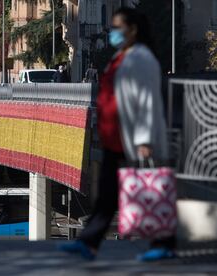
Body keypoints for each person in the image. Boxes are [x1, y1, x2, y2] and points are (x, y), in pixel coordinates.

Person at [59, 7, 175, 261]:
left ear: (132, 30)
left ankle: (165, 243)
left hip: (134, 138)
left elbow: (146, 100)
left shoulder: (141, 59)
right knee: (109, 195)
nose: (113, 32)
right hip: (116, 136)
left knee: (150, 189)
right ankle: (89, 243)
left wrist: (144, 139)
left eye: (117, 27)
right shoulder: (124, 55)